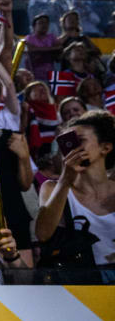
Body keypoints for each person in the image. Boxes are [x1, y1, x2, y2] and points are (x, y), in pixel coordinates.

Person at [35, 111, 115, 277]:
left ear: (105, 147)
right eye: (67, 142)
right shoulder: (52, 187)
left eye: (81, 140)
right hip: (82, 279)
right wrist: (65, 180)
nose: (72, 147)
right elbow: (43, 234)